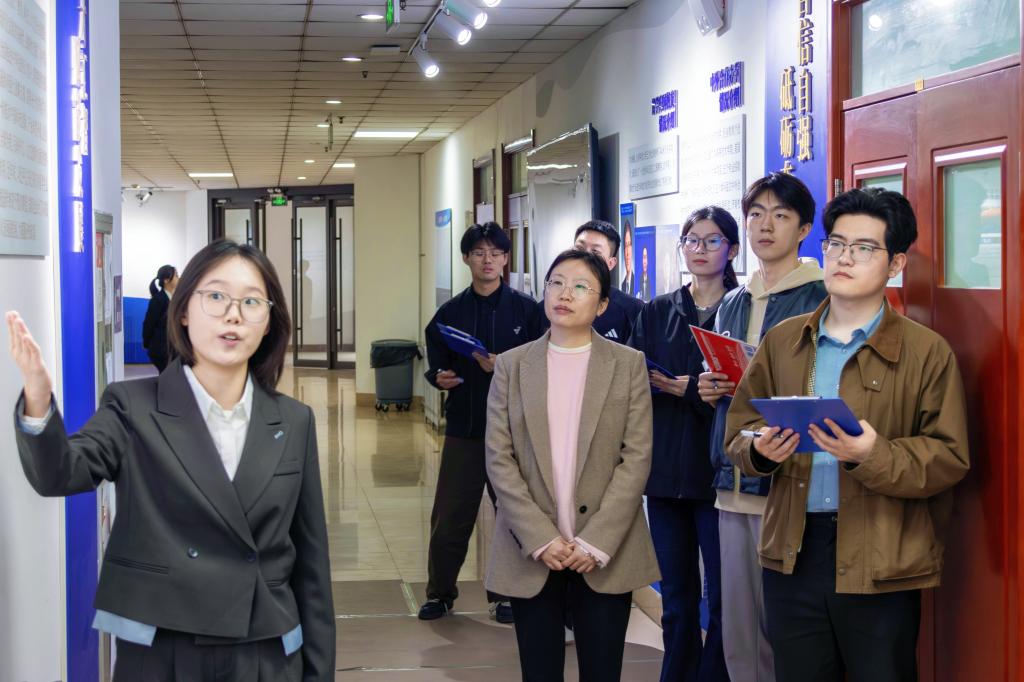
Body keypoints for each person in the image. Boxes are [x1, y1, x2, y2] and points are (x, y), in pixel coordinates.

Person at [8, 240, 335, 680]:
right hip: (163, 646)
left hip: (263, 650)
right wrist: (38, 400)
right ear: (183, 311)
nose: (233, 315)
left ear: (268, 323)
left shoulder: (294, 421)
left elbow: (312, 566)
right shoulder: (132, 406)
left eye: (251, 302)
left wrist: (319, 671)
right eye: (216, 296)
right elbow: (61, 473)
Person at [724, 187, 970, 681]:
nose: (844, 258)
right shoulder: (784, 340)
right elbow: (739, 432)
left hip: (882, 556)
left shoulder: (927, 352)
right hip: (793, 550)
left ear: (895, 263)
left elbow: (948, 457)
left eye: (864, 248)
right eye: (836, 244)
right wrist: (760, 450)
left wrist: (871, 453)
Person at [485, 249, 660, 682]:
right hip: (532, 551)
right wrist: (540, 537)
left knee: (602, 671)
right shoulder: (512, 365)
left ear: (602, 305)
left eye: (580, 287)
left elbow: (636, 457)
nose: (565, 294)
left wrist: (596, 541)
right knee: (539, 672)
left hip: (605, 552)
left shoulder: (627, 364)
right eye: (556, 283)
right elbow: (499, 458)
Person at [697, 171, 827, 682]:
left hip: (787, 483)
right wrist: (711, 387)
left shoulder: (820, 297)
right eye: (755, 214)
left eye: (780, 215)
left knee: (785, 627)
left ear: (804, 229)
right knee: (737, 627)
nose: (765, 226)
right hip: (731, 482)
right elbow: (726, 391)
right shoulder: (732, 301)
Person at [629, 207, 738, 682]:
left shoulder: (741, 309)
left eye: (712, 241)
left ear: (732, 250)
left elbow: (744, 390)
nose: (699, 249)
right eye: (692, 240)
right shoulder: (657, 310)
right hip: (666, 476)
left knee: (724, 598)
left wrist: (685, 388)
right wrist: (683, 388)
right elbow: (636, 379)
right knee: (676, 598)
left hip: (720, 478)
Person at [421, 222, 544, 623]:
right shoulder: (450, 313)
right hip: (466, 429)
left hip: (514, 432)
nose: (487, 260)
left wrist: (503, 366)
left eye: (495, 253)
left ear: (506, 259)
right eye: (479, 253)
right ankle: (440, 594)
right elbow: (437, 364)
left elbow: (544, 366)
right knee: (450, 516)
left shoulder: (528, 311)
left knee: (512, 515)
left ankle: (507, 595)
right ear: (466, 259)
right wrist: (438, 377)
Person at [565, 220, 643, 343]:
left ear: (611, 263)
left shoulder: (632, 309)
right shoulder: (552, 304)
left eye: (595, 252)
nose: (585, 256)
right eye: (579, 248)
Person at [141, 264, 177, 372]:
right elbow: (149, 323)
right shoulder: (158, 300)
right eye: (176, 275)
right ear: (166, 280)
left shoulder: (173, 298)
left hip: (172, 348)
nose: (178, 278)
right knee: (168, 375)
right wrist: (147, 343)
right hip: (161, 349)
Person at [621, 221, 635, 295]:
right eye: (625, 245)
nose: (627, 253)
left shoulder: (637, 283)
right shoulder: (622, 285)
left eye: (629, 244)